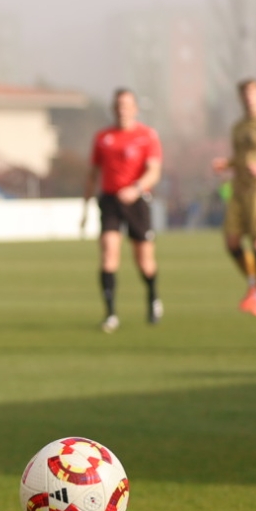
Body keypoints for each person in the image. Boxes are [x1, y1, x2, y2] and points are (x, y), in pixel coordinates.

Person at [82, 88, 162, 332]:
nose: (122, 110)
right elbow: (92, 175)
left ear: (135, 109)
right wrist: (84, 209)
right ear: (113, 109)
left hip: (137, 201)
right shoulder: (103, 138)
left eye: (127, 105)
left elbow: (154, 171)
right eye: (118, 105)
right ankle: (111, 314)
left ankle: (152, 297)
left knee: (144, 261)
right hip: (109, 201)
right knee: (108, 252)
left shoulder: (147, 135)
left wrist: (136, 189)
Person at [212, 78, 256, 317]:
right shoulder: (238, 126)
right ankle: (253, 283)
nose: (249, 98)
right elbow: (240, 157)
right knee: (231, 243)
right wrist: (227, 163)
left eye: (253, 93)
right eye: (245, 94)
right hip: (239, 189)